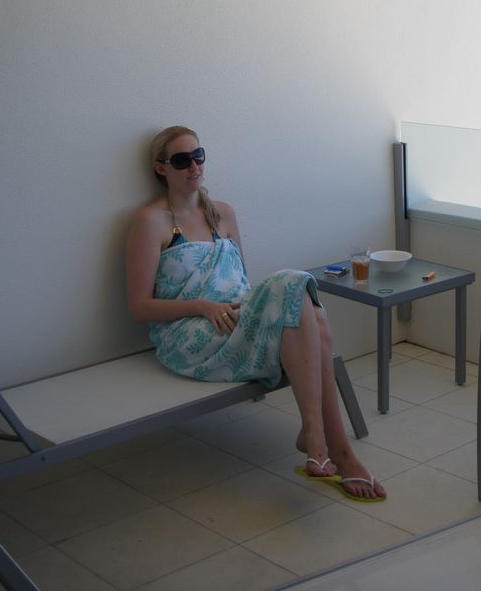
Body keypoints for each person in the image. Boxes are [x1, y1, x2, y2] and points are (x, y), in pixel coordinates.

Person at [125, 125, 385, 502]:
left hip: (236, 320)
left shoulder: (223, 214)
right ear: (161, 168)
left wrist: (251, 310)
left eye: (198, 156)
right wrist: (203, 306)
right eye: (181, 160)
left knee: (310, 313)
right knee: (297, 289)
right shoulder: (151, 221)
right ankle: (327, 444)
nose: (194, 166)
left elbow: (243, 282)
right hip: (190, 334)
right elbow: (139, 307)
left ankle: (326, 443)